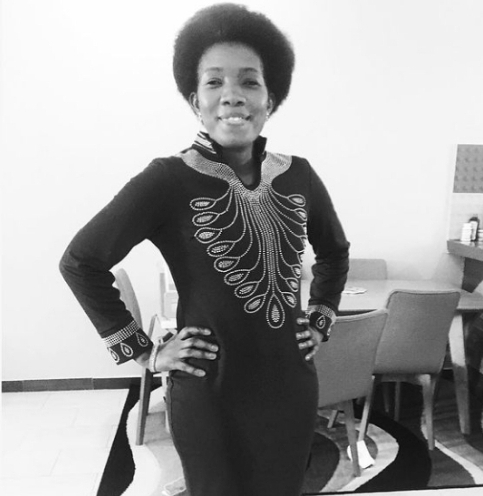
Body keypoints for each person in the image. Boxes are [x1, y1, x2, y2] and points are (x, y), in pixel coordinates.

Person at [59, 3, 349, 495]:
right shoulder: (167, 179)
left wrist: (320, 317)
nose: (232, 94)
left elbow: (335, 252)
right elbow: (80, 262)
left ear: (270, 98)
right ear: (196, 100)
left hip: (291, 387)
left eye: (249, 81)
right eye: (215, 82)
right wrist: (145, 352)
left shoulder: (298, 174)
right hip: (209, 389)